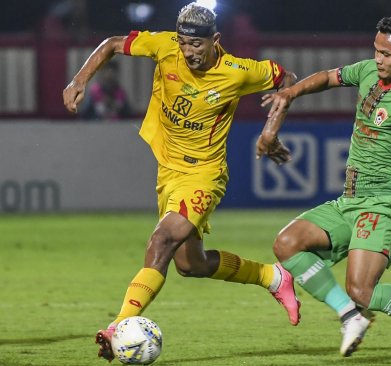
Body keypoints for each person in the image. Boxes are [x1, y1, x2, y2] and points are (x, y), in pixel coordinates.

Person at [62, 3, 300, 362]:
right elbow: (112, 43)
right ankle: (272, 277)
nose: (188, 52)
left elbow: (288, 79)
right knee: (192, 265)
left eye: (197, 45)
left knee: (162, 239)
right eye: (184, 43)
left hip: (204, 173)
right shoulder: (164, 46)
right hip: (168, 172)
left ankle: (119, 325)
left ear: (215, 40)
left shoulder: (239, 71)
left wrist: (271, 131)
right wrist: (79, 80)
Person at [257, 14, 391, 362]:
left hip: (384, 204)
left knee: (361, 289)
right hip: (349, 200)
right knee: (287, 244)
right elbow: (329, 77)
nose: (378, 59)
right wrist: (291, 92)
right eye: (376, 51)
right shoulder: (367, 72)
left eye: (387, 54)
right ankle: (350, 316)